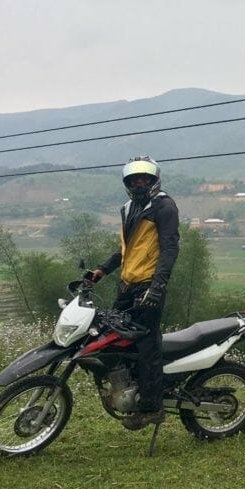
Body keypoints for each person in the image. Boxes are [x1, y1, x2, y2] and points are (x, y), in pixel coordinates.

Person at [87, 156, 180, 430]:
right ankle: (129, 388)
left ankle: (152, 407)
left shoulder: (164, 206)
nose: (139, 183)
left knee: (148, 345)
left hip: (149, 286)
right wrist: (102, 271)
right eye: (134, 179)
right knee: (113, 339)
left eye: (145, 178)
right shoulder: (128, 208)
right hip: (127, 285)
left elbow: (170, 248)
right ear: (127, 183)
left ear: (154, 180)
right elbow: (126, 249)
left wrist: (158, 286)